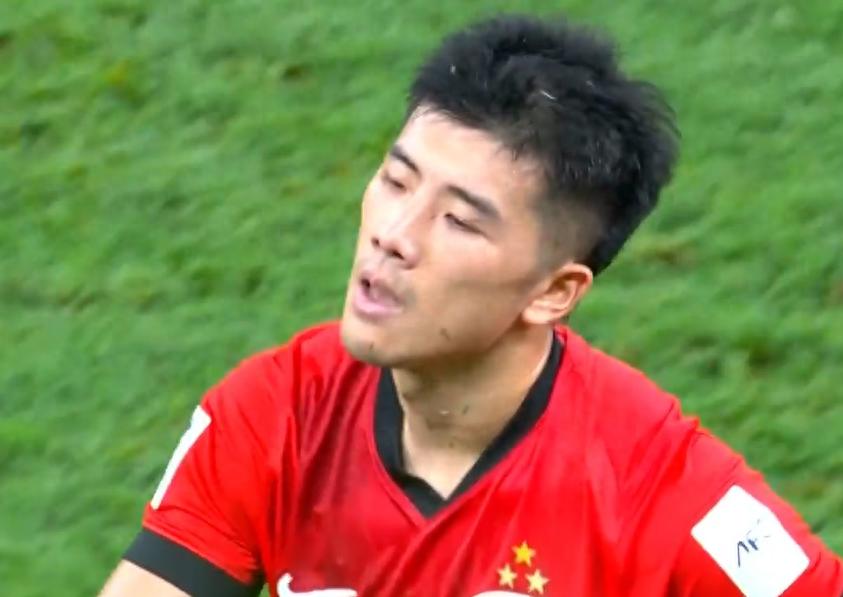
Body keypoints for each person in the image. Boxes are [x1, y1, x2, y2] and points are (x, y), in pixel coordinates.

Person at [99, 14, 842, 597]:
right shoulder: (277, 413)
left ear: (554, 292)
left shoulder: (663, 491)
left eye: (458, 220)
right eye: (396, 181)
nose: (394, 235)